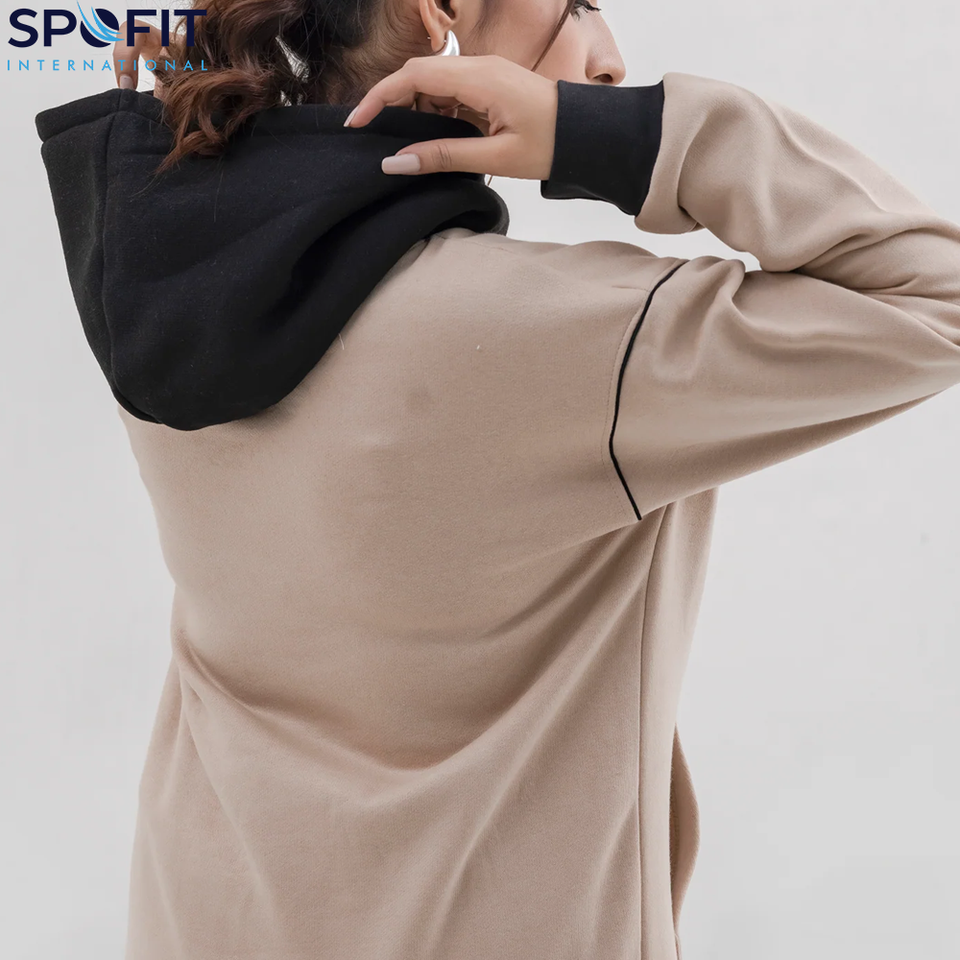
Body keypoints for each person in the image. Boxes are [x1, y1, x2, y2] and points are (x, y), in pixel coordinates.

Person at [33, 1, 960, 958]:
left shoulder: (162, 306)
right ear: (440, 12)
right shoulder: (559, 342)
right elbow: (938, 295)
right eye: (576, 3)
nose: (611, 60)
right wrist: (613, 137)